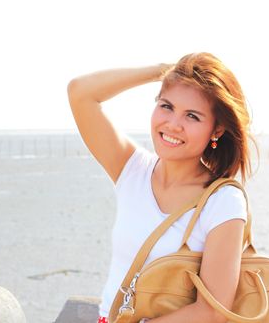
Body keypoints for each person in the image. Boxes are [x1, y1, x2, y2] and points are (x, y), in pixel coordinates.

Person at [67, 52, 256, 323]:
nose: (173, 124)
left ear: (216, 130)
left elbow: (212, 312)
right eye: (166, 106)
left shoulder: (222, 200)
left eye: (192, 116)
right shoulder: (132, 169)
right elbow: (80, 93)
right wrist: (162, 71)